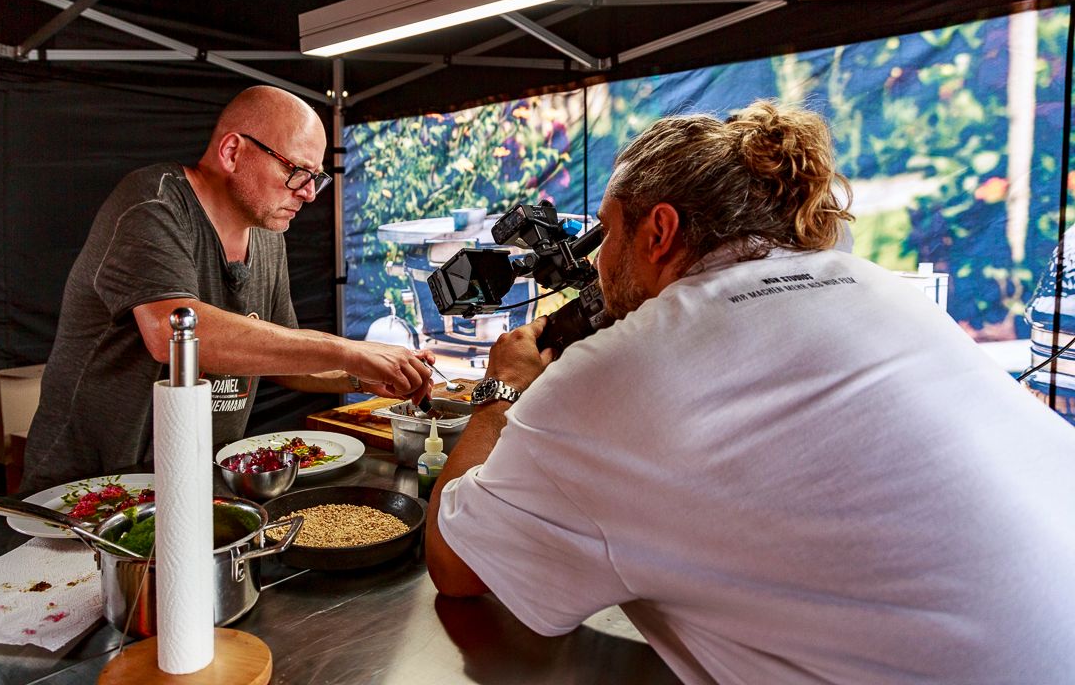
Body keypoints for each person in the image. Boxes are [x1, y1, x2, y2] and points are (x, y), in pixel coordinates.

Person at [425, 100, 1075, 684]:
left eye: (608, 230)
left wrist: (501, 390)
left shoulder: (619, 370)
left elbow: (458, 568)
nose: (596, 258)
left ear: (658, 232)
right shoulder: (873, 284)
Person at [23, 86, 433, 490]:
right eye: (297, 172)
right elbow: (174, 332)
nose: (308, 194)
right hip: (89, 487)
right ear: (233, 151)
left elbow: (284, 352)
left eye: (315, 177)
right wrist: (349, 350)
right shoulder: (154, 205)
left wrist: (364, 376)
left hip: (197, 481)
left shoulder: (270, 237)